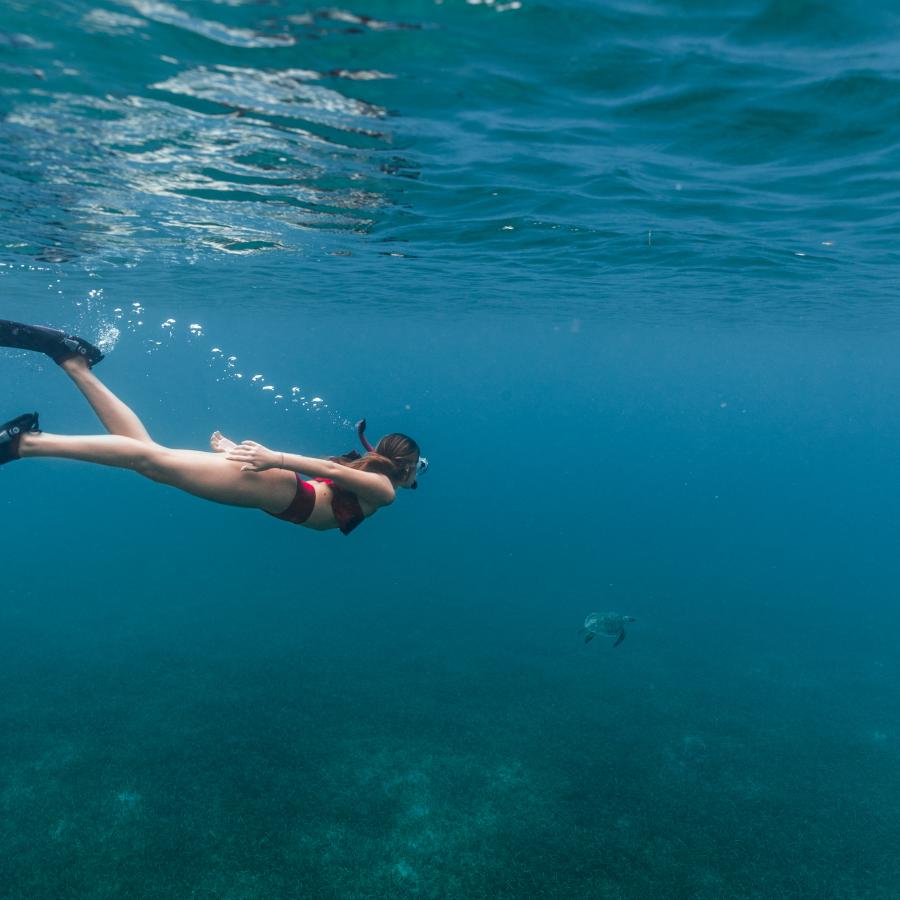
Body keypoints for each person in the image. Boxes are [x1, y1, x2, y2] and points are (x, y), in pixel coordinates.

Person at [0, 320, 427, 535]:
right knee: (150, 459)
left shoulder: (369, 477)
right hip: (276, 489)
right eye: (419, 470)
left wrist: (242, 452)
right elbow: (329, 473)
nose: (416, 478)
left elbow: (324, 468)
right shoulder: (385, 492)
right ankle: (26, 443)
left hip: (279, 488)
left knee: (148, 457)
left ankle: (73, 361)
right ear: (405, 470)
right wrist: (270, 457)